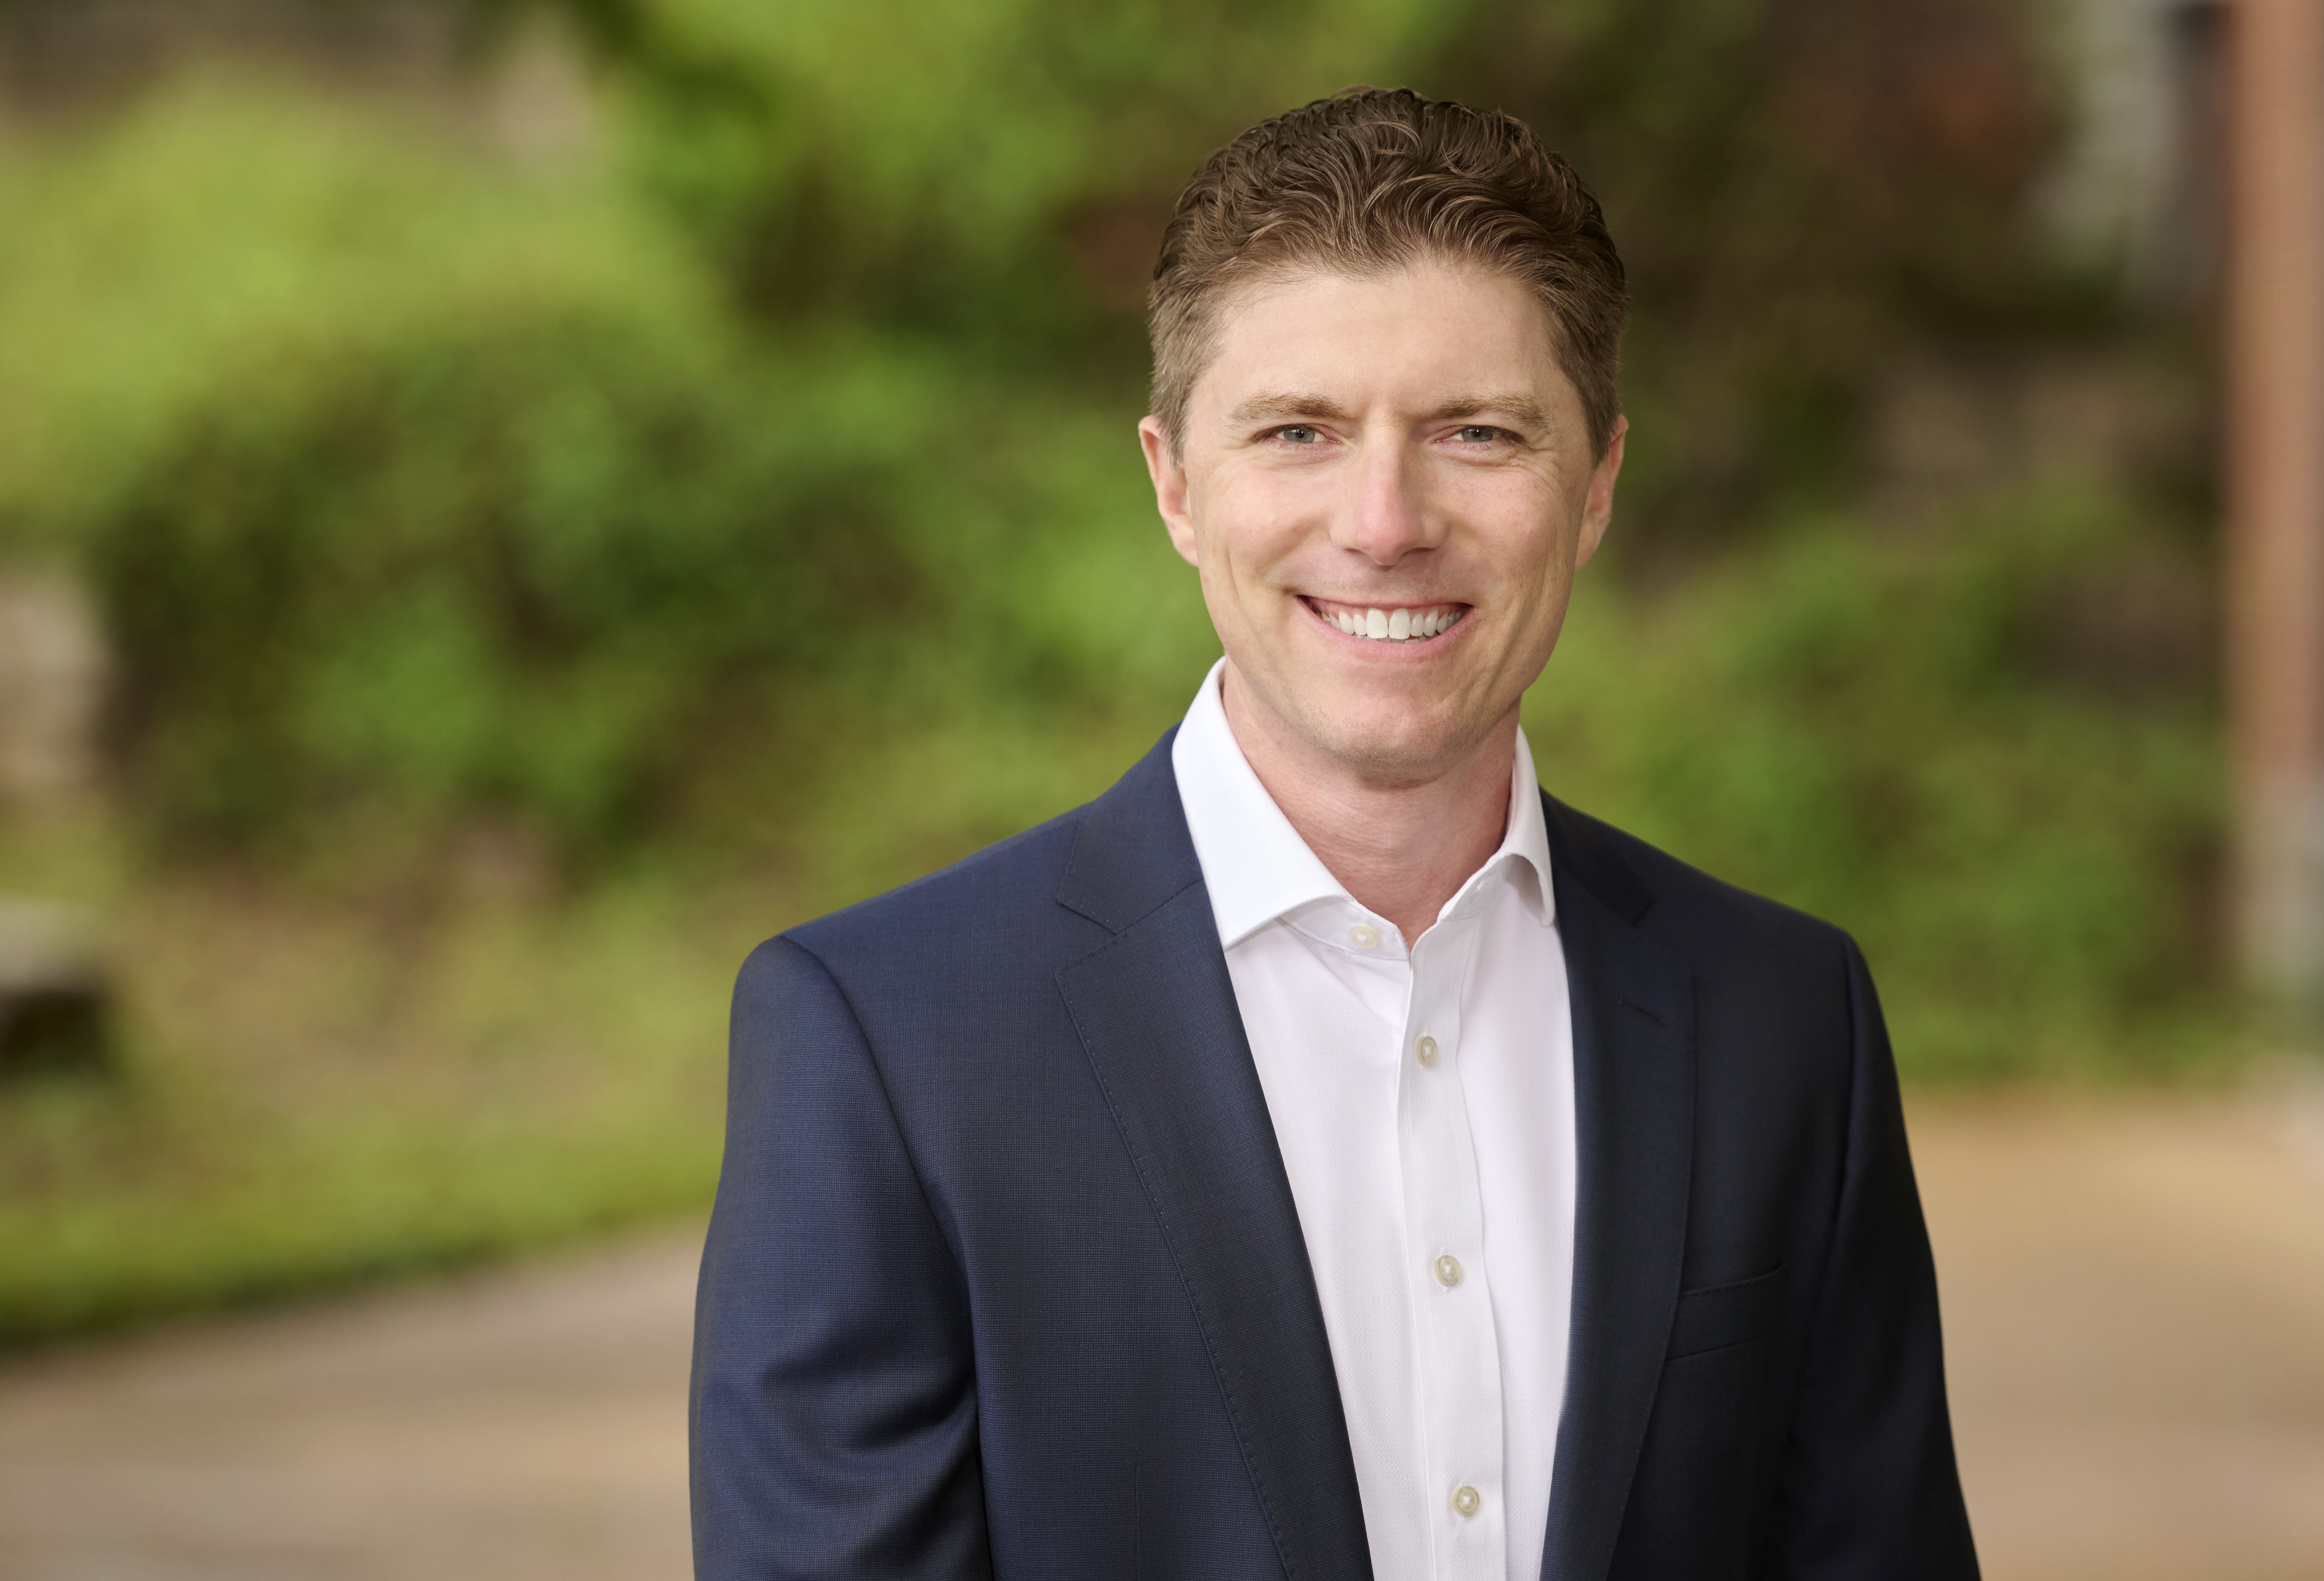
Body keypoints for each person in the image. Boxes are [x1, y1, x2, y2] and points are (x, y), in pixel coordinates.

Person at [690, 87, 1977, 1581]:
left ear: (1596, 487)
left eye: (1476, 433)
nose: (1383, 521)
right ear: (1176, 484)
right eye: (1297, 431)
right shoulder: (884, 1042)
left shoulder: (1785, 1021)